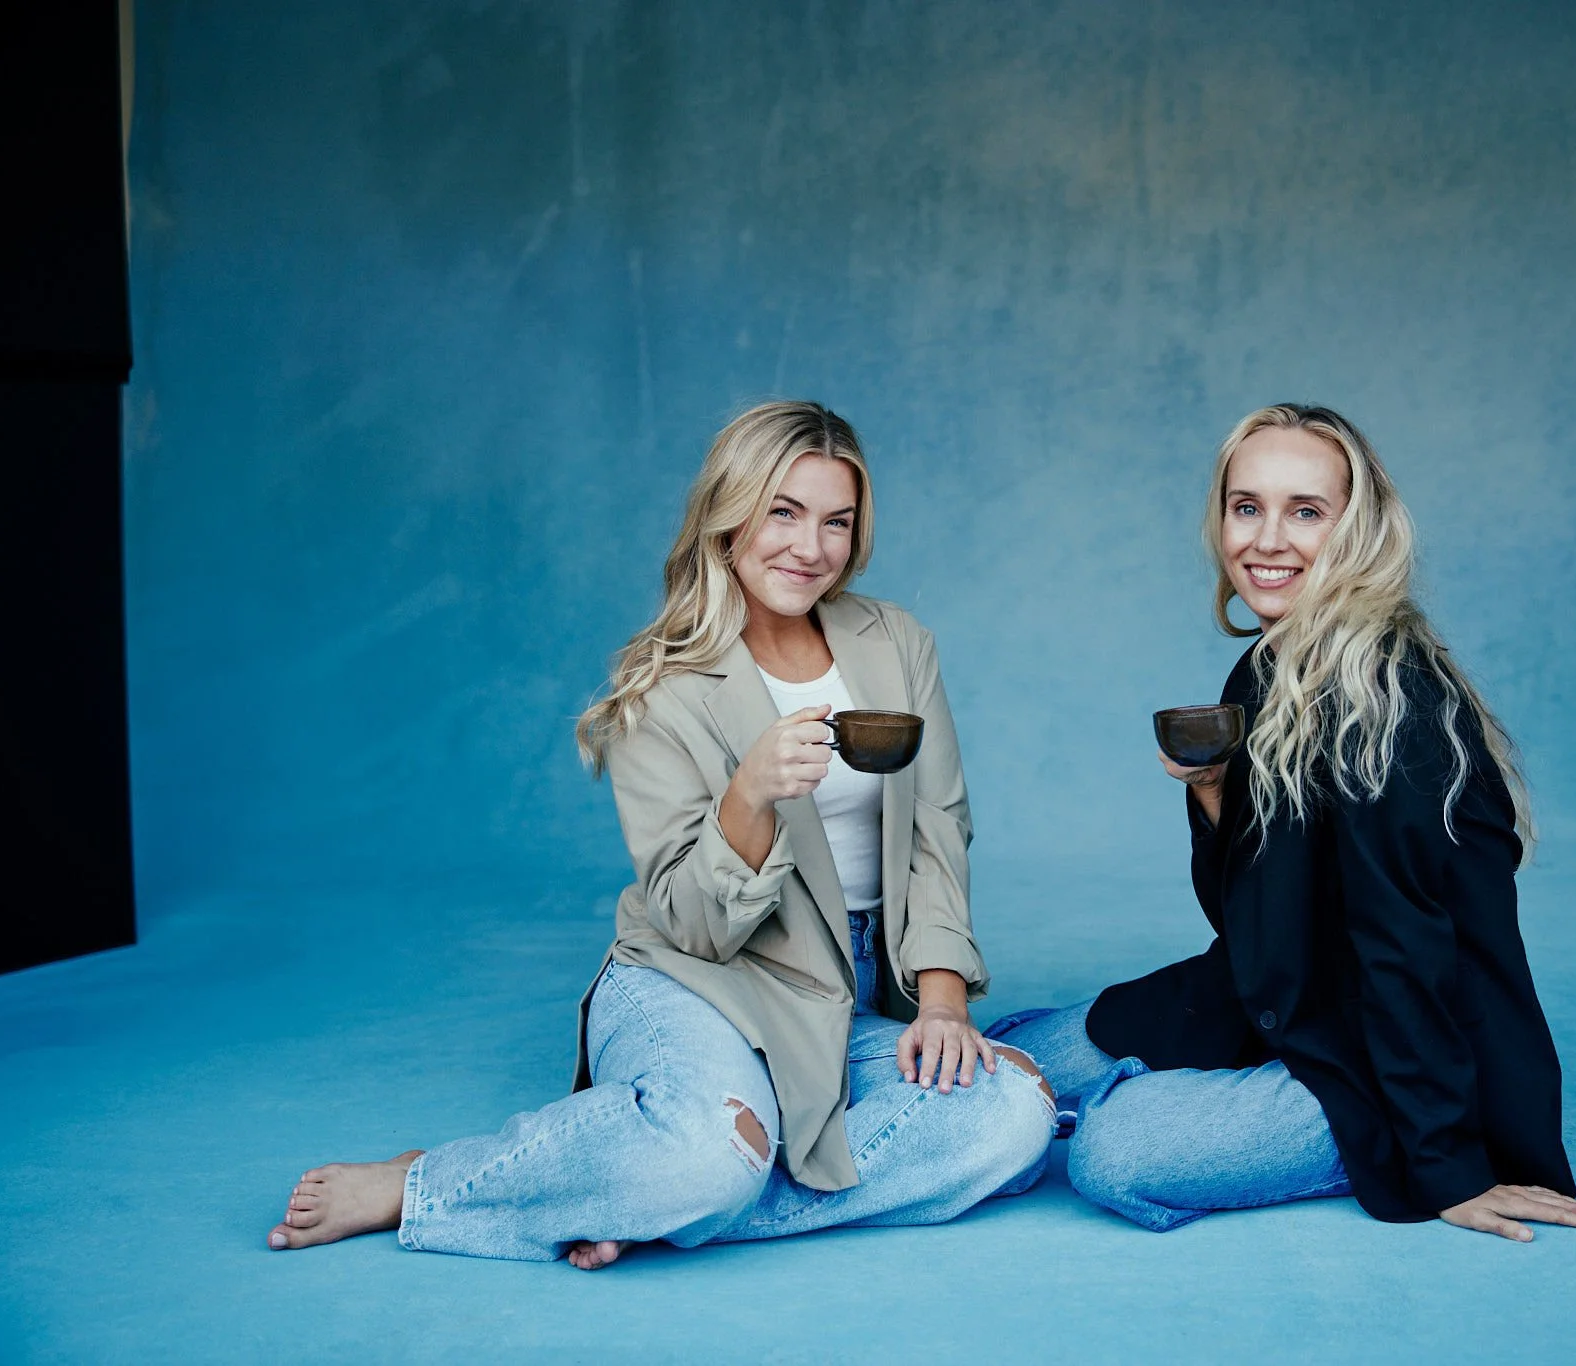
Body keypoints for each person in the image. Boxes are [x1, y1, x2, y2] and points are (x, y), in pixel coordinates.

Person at [268, 400, 1053, 1265]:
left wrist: (942, 1000)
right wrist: (748, 795)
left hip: (847, 990)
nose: (810, 547)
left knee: (1014, 1114)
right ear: (730, 514)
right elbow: (691, 922)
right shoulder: (660, 687)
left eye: (837, 521)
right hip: (696, 983)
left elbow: (937, 827)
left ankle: (631, 1193)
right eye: (782, 512)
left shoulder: (896, 642)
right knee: (701, 1153)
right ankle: (430, 1183)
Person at [989, 403, 1576, 1241]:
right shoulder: (1269, 665)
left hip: (1390, 1064)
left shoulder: (1388, 707)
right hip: (1285, 1000)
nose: (1267, 540)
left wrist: (1449, 1169)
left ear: (1358, 531)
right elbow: (1256, 920)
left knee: (1118, 1153)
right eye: (1247, 507)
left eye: (1305, 512)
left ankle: (1285, 1127)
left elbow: (1409, 954)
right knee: (1007, 1059)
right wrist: (1215, 797)